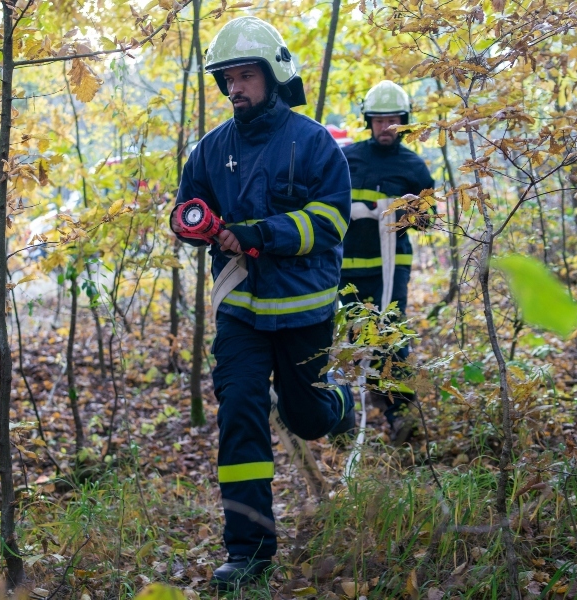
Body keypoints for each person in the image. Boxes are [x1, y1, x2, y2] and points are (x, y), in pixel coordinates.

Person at [169, 17, 354, 591]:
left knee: (305, 417)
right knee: (241, 417)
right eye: (228, 79)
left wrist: (258, 234)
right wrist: (193, 227)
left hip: (305, 310)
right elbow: (186, 210)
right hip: (241, 313)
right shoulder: (209, 150)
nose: (235, 89)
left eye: (246, 76)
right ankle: (248, 551)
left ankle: (337, 404)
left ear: (274, 77)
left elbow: (330, 221)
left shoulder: (314, 142)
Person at [339, 80, 435, 444]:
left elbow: (429, 218)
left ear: (404, 121)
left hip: (391, 268)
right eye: (379, 120)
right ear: (369, 121)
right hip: (347, 269)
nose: (386, 127)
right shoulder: (346, 158)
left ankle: (401, 414)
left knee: (391, 335)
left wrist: (411, 211)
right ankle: (343, 417)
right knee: (349, 338)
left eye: (393, 120)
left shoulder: (413, 166)